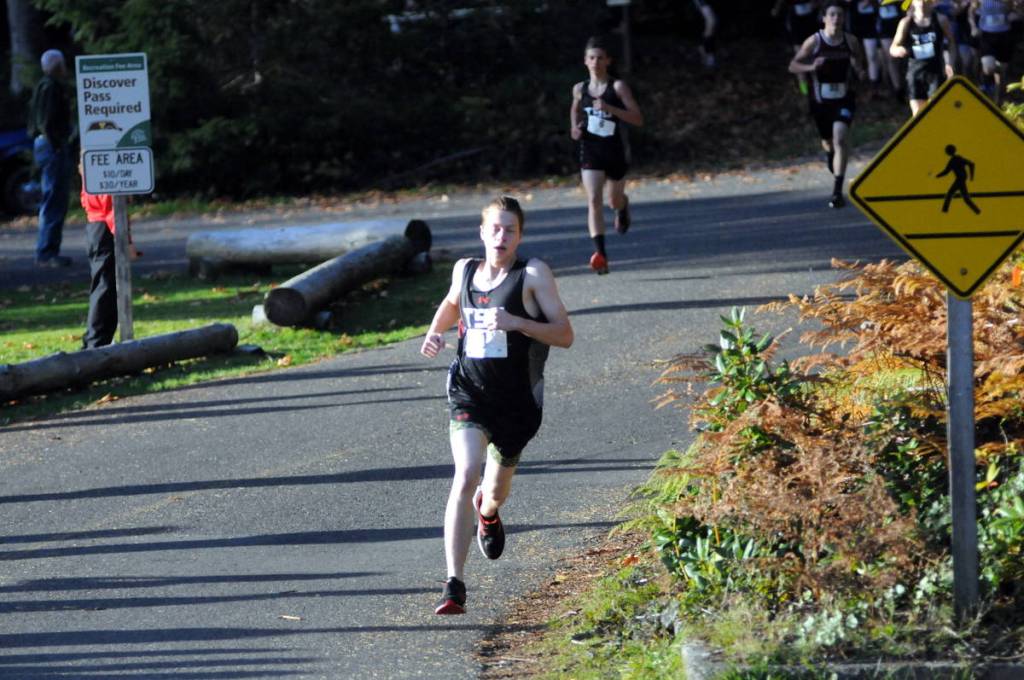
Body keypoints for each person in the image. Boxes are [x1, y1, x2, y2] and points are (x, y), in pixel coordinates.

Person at [420, 196, 574, 615]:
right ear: (483, 232)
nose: (501, 236)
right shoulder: (464, 270)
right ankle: (454, 585)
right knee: (466, 473)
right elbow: (452, 304)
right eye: (495, 228)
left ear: (519, 236)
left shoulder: (532, 274)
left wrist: (518, 322)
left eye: (510, 230)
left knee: (493, 492)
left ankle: (487, 514)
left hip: (517, 404)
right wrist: (435, 332)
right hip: (469, 391)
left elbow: (564, 334)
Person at [569, 36, 644, 275]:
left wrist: (610, 108)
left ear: (608, 61)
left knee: (613, 200)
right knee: (593, 200)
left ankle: (622, 207)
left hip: (614, 151)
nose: (596, 62)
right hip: (591, 150)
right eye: (592, 58)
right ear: (585, 61)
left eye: (600, 58)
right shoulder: (580, 89)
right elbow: (574, 108)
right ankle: (600, 254)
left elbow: (638, 119)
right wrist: (575, 127)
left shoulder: (618, 87)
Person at [790, 1, 867, 208]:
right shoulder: (814, 42)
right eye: (832, 15)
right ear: (824, 18)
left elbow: (859, 63)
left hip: (844, 97)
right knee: (828, 141)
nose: (836, 18)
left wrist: (859, 70)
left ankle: (837, 192)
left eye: (839, 15)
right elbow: (793, 66)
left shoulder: (850, 41)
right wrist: (811, 66)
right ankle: (830, 153)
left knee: (840, 137)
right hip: (820, 100)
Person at [79, 160, 140, 349]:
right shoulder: (102, 175)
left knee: (106, 285)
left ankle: (99, 338)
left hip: (96, 227)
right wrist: (127, 241)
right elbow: (111, 209)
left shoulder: (92, 170)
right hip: (104, 228)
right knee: (104, 286)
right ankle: (95, 342)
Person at [27, 49, 74, 267]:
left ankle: (48, 249)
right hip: (52, 146)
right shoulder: (51, 87)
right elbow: (47, 121)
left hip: (45, 145)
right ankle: (46, 251)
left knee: (53, 197)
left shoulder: (42, 85)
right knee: (54, 197)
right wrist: (56, 145)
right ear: (58, 66)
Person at [890, 0, 957, 115]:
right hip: (915, 74)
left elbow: (951, 43)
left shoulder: (940, 20)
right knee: (918, 114)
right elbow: (893, 48)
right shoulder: (906, 22)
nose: (921, 2)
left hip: (935, 73)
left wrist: (950, 63)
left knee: (935, 112)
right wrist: (898, 50)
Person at [970, 0, 1020, 104]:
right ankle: (986, 85)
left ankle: (998, 99)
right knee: (989, 68)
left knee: (1003, 72)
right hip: (987, 34)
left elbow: (1012, 9)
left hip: (1004, 34)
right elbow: (971, 11)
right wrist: (973, 27)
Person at [774, 0, 823, 95]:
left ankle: (818, 85)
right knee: (800, 57)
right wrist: (776, 9)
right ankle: (803, 88)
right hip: (796, 23)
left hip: (811, 21)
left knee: (815, 55)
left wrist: (817, 5)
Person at [692, 0, 719, 68]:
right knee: (706, 41)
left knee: (706, 40)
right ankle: (708, 60)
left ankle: (709, 60)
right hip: (705, 24)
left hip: (707, 24)